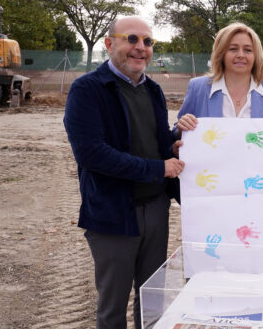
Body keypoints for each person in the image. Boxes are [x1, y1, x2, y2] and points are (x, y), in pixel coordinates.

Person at [63, 16, 184, 328]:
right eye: (132, 39)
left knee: (152, 302)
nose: (141, 48)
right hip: (113, 214)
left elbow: (157, 142)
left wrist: (177, 145)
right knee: (113, 308)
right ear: (109, 44)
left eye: (147, 42)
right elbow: (93, 154)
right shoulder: (87, 90)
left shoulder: (153, 91)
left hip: (156, 211)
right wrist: (160, 168)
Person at [174, 22, 263, 135]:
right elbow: (176, 135)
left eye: (248, 50)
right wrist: (181, 128)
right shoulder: (198, 88)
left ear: (256, 55)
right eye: (233, 49)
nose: (241, 55)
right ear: (221, 53)